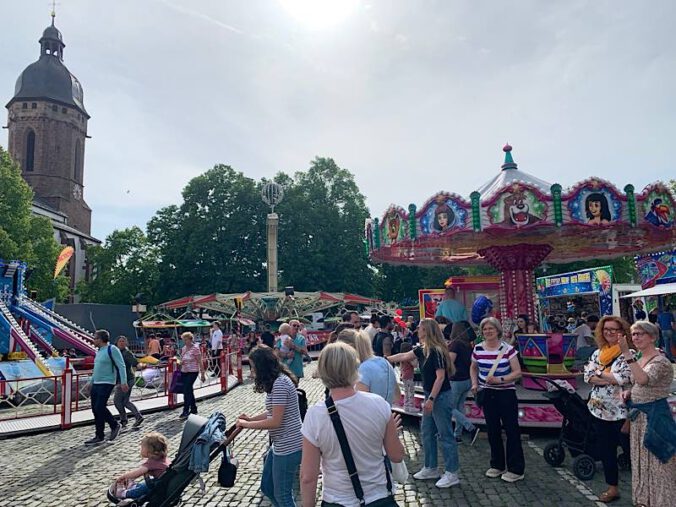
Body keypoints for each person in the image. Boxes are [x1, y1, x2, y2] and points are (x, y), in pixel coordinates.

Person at [300, 342, 405, 506]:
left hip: (337, 499)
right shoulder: (378, 404)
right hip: (379, 497)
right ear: (355, 368)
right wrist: (392, 435)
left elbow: (308, 477)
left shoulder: (315, 415)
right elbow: (397, 456)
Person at [388, 318, 460, 488]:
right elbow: (404, 356)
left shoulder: (437, 351)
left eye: (420, 328)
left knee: (445, 435)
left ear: (426, 330)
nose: (417, 330)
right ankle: (431, 467)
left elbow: (441, 377)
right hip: (431, 395)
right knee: (427, 432)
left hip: (440, 397)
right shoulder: (422, 350)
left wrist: (431, 399)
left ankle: (452, 472)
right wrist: (383, 359)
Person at [619, 321, 676, 507]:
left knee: (659, 462)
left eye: (641, 334)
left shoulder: (661, 361)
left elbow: (644, 379)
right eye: (634, 334)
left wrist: (627, 354)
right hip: (639, 418)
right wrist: (629, 391)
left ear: (652, 337)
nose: (636, 337)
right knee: (641, 460)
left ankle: (663, 502)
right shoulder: (640, 358)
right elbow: (636, 382)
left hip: (655, 418)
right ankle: (644, 500)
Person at [237, 346, 303, 506]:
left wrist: (247, 425)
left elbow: (275, 421)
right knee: (268, 487)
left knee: (282, 495)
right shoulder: (276, 382)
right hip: (281, 444)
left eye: (252, 366)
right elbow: (272, 412)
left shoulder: (280, 384)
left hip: (289, 445)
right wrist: (251, 419)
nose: (251, 371)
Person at [583, 316, 634, 503]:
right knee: (607, 451)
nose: (609, 332)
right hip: (599, 409)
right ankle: (612, 488)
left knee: (631, 452)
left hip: (622, 412)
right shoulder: (598, 353)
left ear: (622, 332)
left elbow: (622, 379)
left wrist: (598, 374)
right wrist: (606, 376)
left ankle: (642, 491)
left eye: (614, 329)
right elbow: (587, 376)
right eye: (606, 329)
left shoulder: (629, 353)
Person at [470, 317, 525, 483]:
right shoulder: (478, 349)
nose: (487, 332)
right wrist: (474, 383)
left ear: (497, 330)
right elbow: (473, 367)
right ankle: (497, 464)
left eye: (490, 329)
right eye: (485, 329)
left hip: (505, 394)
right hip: (488, 394)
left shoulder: (508, 349)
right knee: (492, 430)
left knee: (511, 430)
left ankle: (516, 468)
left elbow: (517, 372)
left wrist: (501, 380)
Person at [86, 329, 128, 445]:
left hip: (107, 382)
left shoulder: (112, 349)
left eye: (95, 338)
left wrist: (123, 382)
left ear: (101, 339)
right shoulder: (99, 351)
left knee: (100, 406)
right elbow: (96, 369)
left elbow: (121, 366)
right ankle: (99, 435)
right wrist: (91, 381)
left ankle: (114, 425)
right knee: (95, 409)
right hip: (97, 383)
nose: (94, 340)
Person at [337, 329, 400, 406]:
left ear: (350, 348)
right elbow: (397, 396)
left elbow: (360, 406)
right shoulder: (385, 362)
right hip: (386, 413)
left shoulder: (362, 370)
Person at [112, 432, 171, 504]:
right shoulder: (161, 458)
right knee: (147, 483)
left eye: (142, 447)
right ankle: (135, 486)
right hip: (163, 482)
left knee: (144, 488)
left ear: (150, 451)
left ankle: (124, 493)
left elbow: (137, 473)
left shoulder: (152, 463)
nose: (140, 449)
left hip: (160, 487)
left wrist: (123, 477)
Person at [448, 323, 480, 444]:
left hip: (456, 380)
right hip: (467, 380)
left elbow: (450, 362)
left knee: (449, 407)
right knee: (459, 407)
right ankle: (457, 435)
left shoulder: (455, 345)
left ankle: (470, 427)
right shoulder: (468, 346)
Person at [113, 336, 143, 429]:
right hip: (122, 379)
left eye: (123, 341)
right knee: (125, 401)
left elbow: (135, 362)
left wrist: (139, 365)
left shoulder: (127, 353)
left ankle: (124, 419)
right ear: (116, 343)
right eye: (120, 341)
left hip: (126, 379)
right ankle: (136, 417)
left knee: (117, 401)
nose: (122, 343)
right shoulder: (116, 352)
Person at [179, 332, 206, 419]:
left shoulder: (195, 348)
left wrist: (202, 374)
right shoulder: (183, 348)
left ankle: (185, 410)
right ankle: (193, 408)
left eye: (186, 339)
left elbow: (200, 361)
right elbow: (182, 359)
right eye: (184, 340)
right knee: (188, 390)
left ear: (190, 339)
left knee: (187, 389)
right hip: (184, 371)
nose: (185, 341)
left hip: (193, 371)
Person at [399, 341, 417, 412]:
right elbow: (415, 365)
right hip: (409, 376)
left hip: (404, 376)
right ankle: (411, 406)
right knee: (411, 391)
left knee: (406, 391)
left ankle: (406, 406)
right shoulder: (409, 358)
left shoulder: (401, 357)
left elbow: (400, 367)